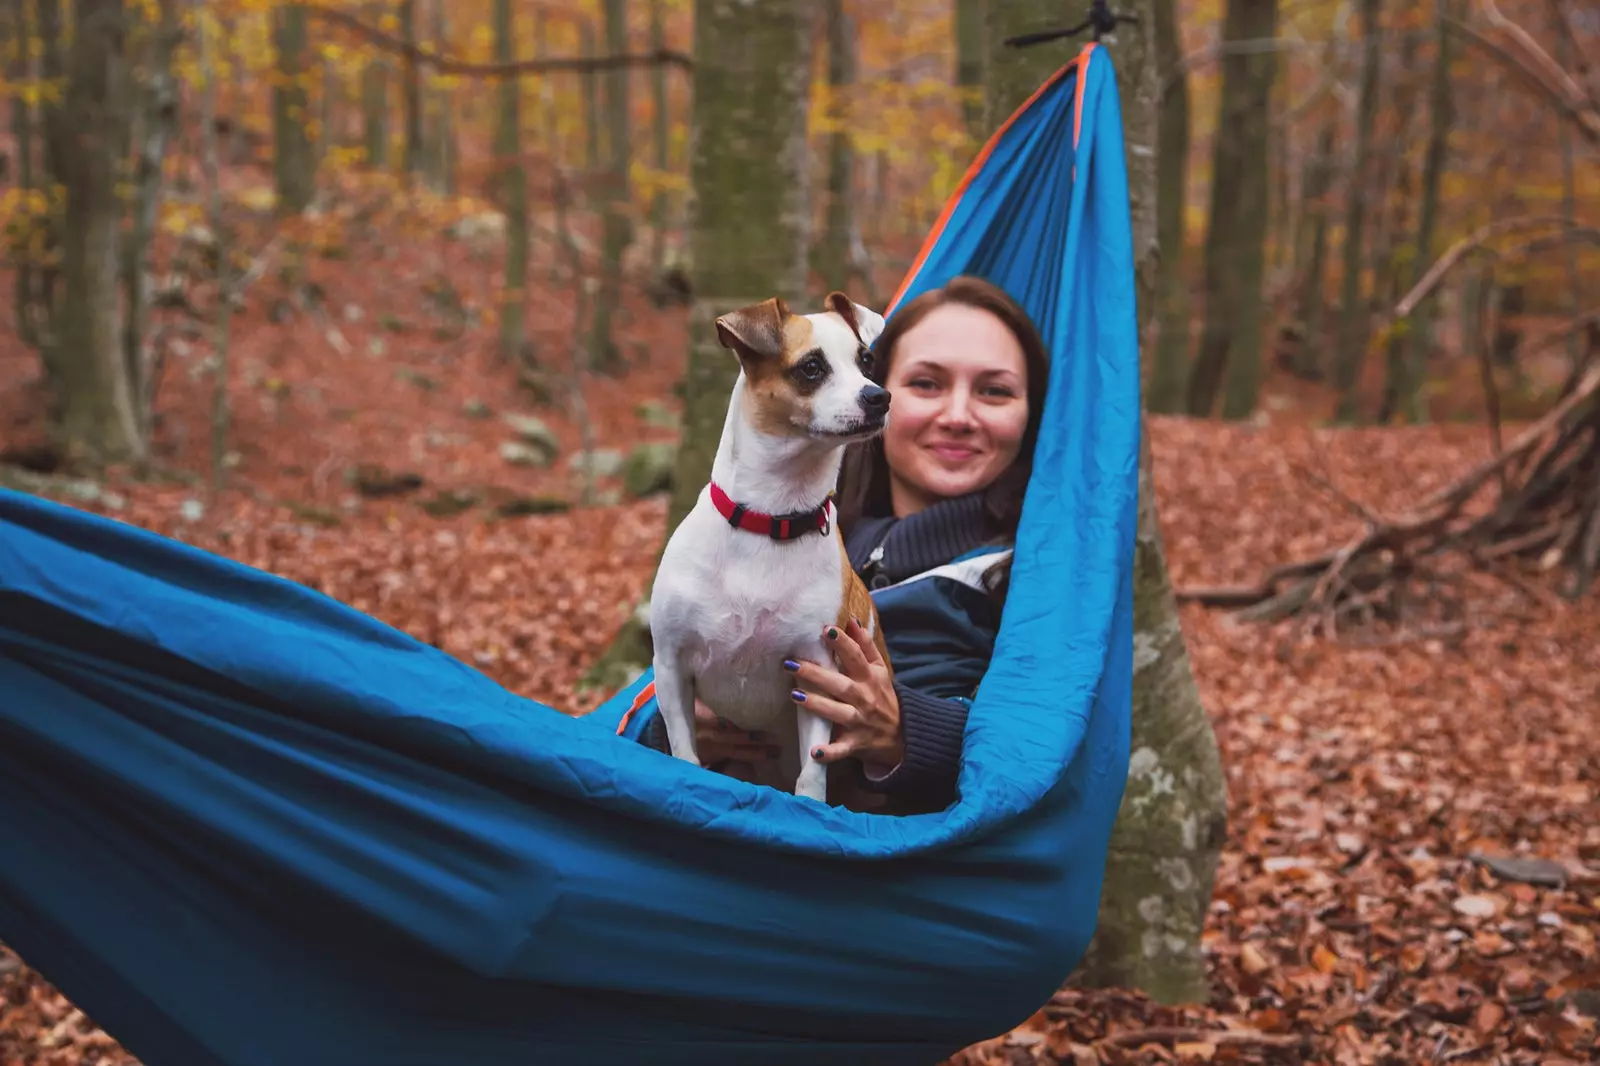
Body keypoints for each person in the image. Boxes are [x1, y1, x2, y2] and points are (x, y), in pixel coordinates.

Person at [689, 274, 1051, 815]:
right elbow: (658, 698)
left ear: (1033, 412)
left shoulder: (1037, 574)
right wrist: (685, 724)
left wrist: (905, 734)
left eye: (994, 390)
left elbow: (1047, 744)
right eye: (926, 384)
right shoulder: (776, 536)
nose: (957, 416)